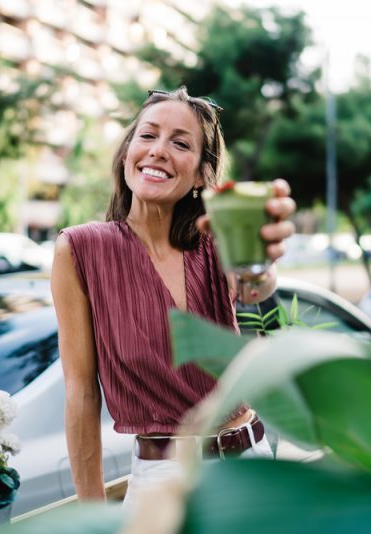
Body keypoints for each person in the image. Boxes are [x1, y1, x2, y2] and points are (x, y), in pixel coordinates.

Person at [50, 87, 296, 507]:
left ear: (201, 173)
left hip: (250, 465)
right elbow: (81, 395)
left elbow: (255, 285)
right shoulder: (80, 250)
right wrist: (91, 518)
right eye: (147, 136)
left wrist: (259, 263)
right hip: (163, 483)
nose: (159, 151)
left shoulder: (214, 239)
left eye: (180, 143)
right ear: (127, 152)